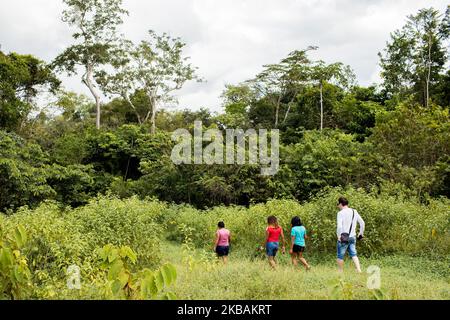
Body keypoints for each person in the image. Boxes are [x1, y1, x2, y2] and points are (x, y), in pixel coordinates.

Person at [336, 197, 365, 273]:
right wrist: (361, 234)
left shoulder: (340, 213)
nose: (338, 206)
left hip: (343, 237)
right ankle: (359, 270)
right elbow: (362, 223)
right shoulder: (354, 211)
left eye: (338, 204)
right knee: (353, 254)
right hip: (352, 237)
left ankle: (340, 272)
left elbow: (339, 226)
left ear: (341, 204)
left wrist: (339, 236)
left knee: (340, 256)